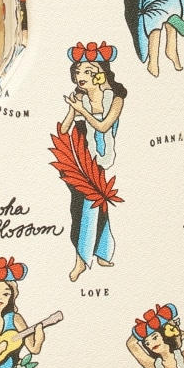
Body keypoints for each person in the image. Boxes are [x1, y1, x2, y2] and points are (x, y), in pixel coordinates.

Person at [56, 42, 126, 282]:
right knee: (87, 206)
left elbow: (104, 126)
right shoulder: (80, 98)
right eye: (78, 71)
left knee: (94, 205)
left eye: (88, 71)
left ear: (101, 73)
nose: (81, 76)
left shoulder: (115, 99)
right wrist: (71, 109)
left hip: (101, 158)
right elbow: (63, 130)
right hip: (79, 159)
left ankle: (87, 258)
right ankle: (95, 255)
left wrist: (82, 111)